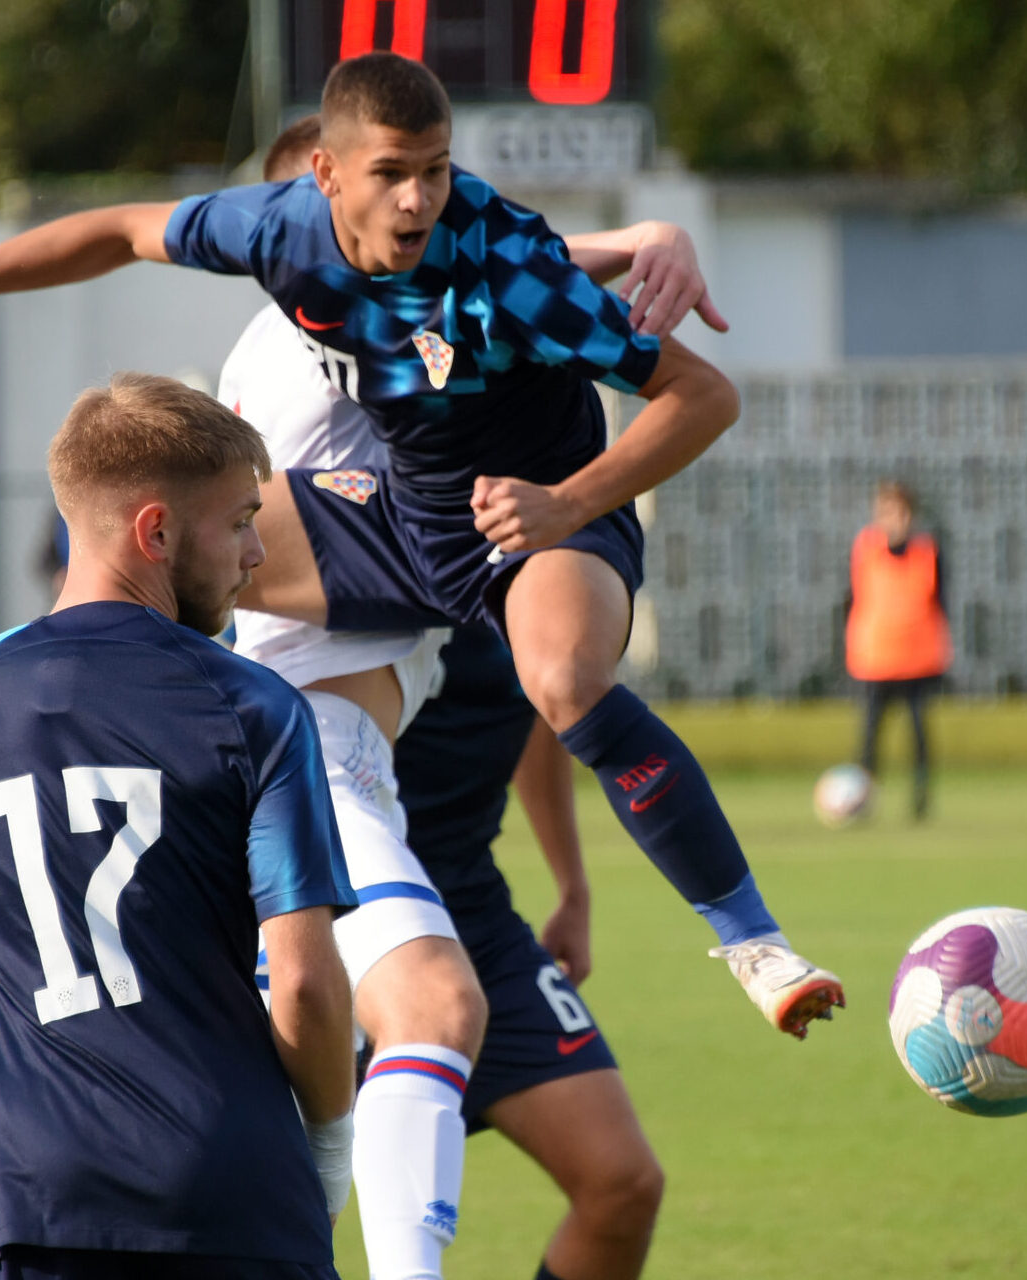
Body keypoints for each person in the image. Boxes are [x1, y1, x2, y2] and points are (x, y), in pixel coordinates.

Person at [0, 52, 847, 1041]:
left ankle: (755, 943)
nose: (417, 201)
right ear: (324, 175)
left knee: (565, 680)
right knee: (154, 542)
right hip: (400, 515)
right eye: (391, 174)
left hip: (534, 521)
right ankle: (61, 791)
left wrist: (567, 504)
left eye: (436, 172)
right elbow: (120, 229)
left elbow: (703, 395)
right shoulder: (278, 231)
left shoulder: (508, 265)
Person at [221, 114, 701, 1280]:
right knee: (292, 1198)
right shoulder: (279, 389)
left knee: (622, 1181)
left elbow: (530, 695)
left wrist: (574, 879)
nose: (399, 235)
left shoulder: (472, 412)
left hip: (462, 878)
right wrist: (636, 234)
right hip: (317, 860)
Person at [0, 373, 358, 1279]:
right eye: (242, 520)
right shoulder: (253, 706)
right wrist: (329, 1153)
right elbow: (306, 988)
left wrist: (38, 1120)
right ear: (156, 531)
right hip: (227, 1198)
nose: (256, 554)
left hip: (18, 1206)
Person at [402, 625, 664, 1280]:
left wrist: (571, 887)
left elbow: (540, 710)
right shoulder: (341, 553)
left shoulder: (521, 562)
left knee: (622, 1184)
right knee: (286, 1217)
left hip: (476, 925)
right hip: (333, 928)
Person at [845, 480, 950, 820]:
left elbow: (941, 603)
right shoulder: (865, 549)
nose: (893, 519)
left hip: (918, 658)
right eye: (886, 511)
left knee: (919, 733)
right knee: (870, 737)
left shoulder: (928, 552)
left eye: (899, 512)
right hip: (875, 658)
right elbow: (851, 599)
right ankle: (862, 799)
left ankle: (921, 796)